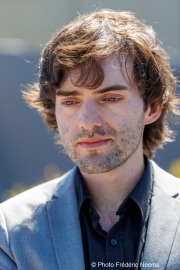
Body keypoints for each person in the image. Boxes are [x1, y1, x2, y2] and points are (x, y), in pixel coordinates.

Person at [0, 9, 180, 270]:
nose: (88, 121)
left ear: (152, 107)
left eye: (110, 98)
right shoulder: (10, 231)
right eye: (71, 101)